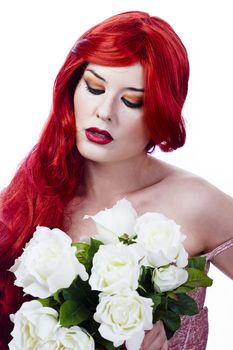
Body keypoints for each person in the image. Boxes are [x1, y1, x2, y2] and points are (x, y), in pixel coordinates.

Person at [0, 10, 233, 350]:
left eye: (131, 101)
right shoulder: (26, 201)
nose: (105, 110)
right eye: (94, 87)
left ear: (161, 112)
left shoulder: (194, 203)